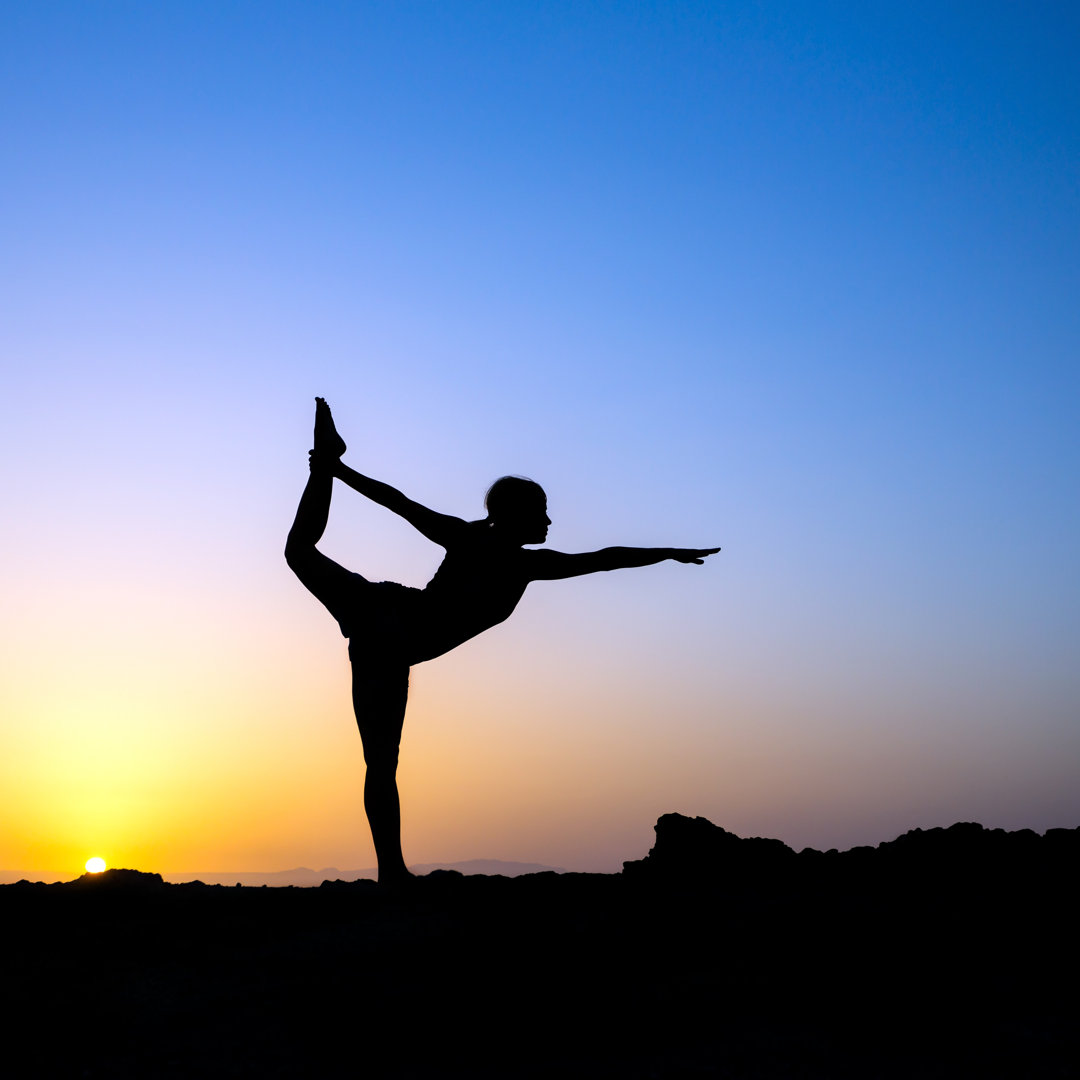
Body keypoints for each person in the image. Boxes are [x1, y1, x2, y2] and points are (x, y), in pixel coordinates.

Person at [285, 398, 720, 884]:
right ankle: (391, 871)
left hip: (384, 635)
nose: (550, 524)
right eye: (544, 514)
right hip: (388, 626)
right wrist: (669, 554)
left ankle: (324, 464)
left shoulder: (487, 546)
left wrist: (338, 471)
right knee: (381, 761)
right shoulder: (509, 558)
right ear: (519, 516)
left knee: (301, 554)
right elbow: (604, 557)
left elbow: (605, 556)